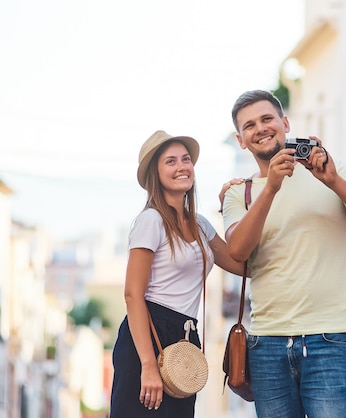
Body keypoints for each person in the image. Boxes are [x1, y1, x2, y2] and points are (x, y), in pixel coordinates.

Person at [220, 90, 346, 418]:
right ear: (241, 140)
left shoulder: (332, 169)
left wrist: (333, 181)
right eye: (249, 125)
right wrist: (270, 186)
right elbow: (238, 250)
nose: (260, 128)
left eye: (267, 118)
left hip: (330, 339)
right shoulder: (237, 193)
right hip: (266, 344)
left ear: (285, 123)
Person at [110, 130, 245, 417]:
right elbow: (133, 294)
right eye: (170, 161)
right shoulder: (151, 221)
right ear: (155, 174)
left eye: (185, 159)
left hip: (185, 337)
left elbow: (241, 265)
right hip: (148, 333)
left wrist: (235, 206)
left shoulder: (201, 225)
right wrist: (148, 365)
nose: (182, 166)